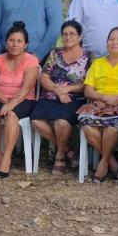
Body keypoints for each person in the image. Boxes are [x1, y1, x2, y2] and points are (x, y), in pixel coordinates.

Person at [78, 27, 118, 183]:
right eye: (111, 39)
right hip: (98, 103)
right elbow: (88, 91)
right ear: (107, 42)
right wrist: (102, 97)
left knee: (112, 127)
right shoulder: (97, 63)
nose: (114, 42)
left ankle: (103, 163)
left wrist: (117, 99)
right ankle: (112, 164)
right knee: (87, 126)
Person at [30, 20, 92, 175]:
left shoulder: (89, 57)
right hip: (50, 94)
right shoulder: (54, 53)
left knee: (62, 122)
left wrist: (67, 90)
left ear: (80, 36)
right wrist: (58, 90)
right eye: (65, 34)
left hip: (74, 98)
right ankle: (66, 150)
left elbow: (89, 84)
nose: (68, 37)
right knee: (36, 120)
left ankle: (59, 155)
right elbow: (43, 77)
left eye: (72, 34)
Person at [0, 22, 41, 178]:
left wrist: (11, 104)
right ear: (6, 42)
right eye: (11, 40)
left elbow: (26, 88)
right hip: (0, 97)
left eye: (19, 41)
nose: (14, 44)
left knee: (11, 115)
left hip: (24, 99)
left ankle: (7, 158)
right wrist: (5, 101)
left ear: (25, 44)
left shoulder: (31, 61)